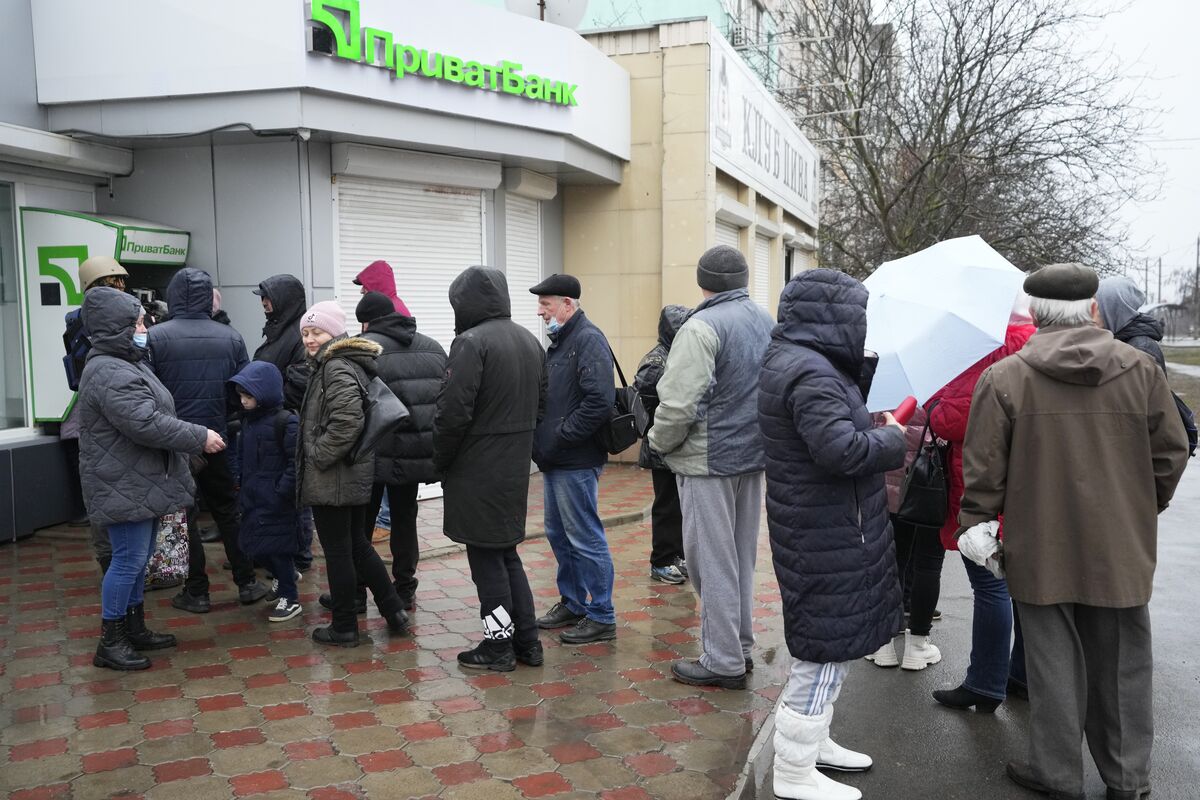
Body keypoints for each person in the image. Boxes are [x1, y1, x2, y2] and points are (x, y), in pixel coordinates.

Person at [957, 263, 1189, 800]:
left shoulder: (1006, 378)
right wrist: (1139, 509)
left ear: (1036, 313)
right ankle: (1127, 778)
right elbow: (1171, 454)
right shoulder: (1141, 370)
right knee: (1124, 665)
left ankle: (1057, 774)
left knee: (1051, 664)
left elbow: (984, 473)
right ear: (1091, 309)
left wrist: (979, 528)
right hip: (1121, 546)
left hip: (1039, 546)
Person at [758, 269, 907, 800]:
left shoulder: (803, 362)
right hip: (824, 529)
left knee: (832, 646)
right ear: (837, 315)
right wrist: (891, 438)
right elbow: (840, 451)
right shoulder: (812, 373)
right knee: (823, 651)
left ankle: (813, 741)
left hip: (823, 525)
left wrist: (867, 413)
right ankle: (794, 771)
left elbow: (830, 432)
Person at [77, 287, 225, 670]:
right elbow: (144, 422)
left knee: (137, 560)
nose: (145, 327)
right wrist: (198, 437)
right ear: (117, 328)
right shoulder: (109, 370)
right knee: (127, 561)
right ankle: (111, 640)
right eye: (138, 322)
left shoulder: (126, 361)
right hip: (122, 482)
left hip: (134, 478)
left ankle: (134, 628)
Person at [647, 246, 774, 689]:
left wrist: (657, 442)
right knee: (739, 558)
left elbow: (679, 403)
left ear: (703, 281)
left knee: (709, 562)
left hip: (708, 461)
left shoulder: (701, 326)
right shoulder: (766, 321)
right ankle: (737, 646)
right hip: (752, 457)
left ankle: (722, 660)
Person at [434, 267, 546, 671]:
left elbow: (452, 413)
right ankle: (528, 642)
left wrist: (440, 460)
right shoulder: (530, 341)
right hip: (514, 467)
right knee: (506, 554)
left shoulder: (470, 343)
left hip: (476, 468)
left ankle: (498, 646)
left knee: (486, 560)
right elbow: (542, 406)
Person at [928, 298, 1037, 712]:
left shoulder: (991, 352)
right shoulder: (1036, 343)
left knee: (990, 583)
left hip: (983, 481)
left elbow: (954, 418)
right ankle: (1021, 675)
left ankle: (985, 683)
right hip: (1025, 481)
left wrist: (935, 403)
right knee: (1024, 586)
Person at [149, 268, 266, 613]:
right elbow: (242, 389)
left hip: (172, 441)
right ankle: (246, 582)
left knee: (181, 515)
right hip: (216, 439)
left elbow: (147, 392)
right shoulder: (229, 337)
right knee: (227, 511)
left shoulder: (155, 337)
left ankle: (196, 591)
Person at [296, 300, 409, 646]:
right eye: (305, 333)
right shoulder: (336, 363)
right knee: (358, 546)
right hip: (349, 472)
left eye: (316, 332)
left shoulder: (335, 366)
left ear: (334, 332)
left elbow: (347, 421)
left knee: (339, 552)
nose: (310, 339)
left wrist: (319, 455)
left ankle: (344, 626)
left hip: (336, 474)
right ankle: (393, 609)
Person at [529, 274, 618, 645]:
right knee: (559, 534)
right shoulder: (562, 342)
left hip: (576, 459)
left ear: (567, 304)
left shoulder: (587, 339)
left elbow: (599, 402)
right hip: (557, 459)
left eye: (546, 304)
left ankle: (601, 614)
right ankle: (573, 602)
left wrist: (561, 437)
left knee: (584, 537)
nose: (540, 311)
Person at [354, 291, 447, 609]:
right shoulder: (432, 347)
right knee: (405, 519)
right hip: (415, 451)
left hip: (373, 451)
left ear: (366, 322)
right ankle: (405, 587)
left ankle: (357, 587)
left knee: (361, 522)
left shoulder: (363, 349)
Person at [62, 256, 131, 571]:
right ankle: (129, 570)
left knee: (102, 492)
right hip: (123, 413)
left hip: (92, 417)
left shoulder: (76, 319)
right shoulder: (125, 317)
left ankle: (111, 563)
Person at [865, 403, 945, 670]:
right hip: (929, 482)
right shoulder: (943, 377)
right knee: (928, 564)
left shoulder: (888, 376)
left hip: (889, 481)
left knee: (890, 559)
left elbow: (869, 426)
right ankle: (917, 646)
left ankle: (883, 644)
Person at [229, 361, 303, 623]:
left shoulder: (286, 422)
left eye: (248, 395)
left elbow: (296, 463)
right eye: (240, 395)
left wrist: (281, 491)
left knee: (278, 548)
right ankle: (287, 577)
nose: (243, 401)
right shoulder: (247, 423)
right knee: (254, 546)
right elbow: (241, 456)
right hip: (252, 496)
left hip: (276, 500)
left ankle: (289, 596)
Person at [252, 274, 314, 572]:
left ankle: (299, 556)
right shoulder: (278, 330)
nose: (264, 303)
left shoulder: (300, 335)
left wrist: (264, 394)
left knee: (295, 495)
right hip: (273, 425)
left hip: (289, 426)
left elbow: (299, 384)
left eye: (268, 298)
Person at [633, 304, 692, 585]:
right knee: (666, 505)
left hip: (676, 445)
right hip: (661, 447)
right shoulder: (657, 360)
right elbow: (648, 395)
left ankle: (676, 555)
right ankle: (662, 560)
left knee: (679, 506)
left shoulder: (676, 355)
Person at [1096, 276, 1166, 371]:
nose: (1091, 314)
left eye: (1097, 308)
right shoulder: (1116, 339)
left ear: (1113, 310)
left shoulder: (1142, 349)